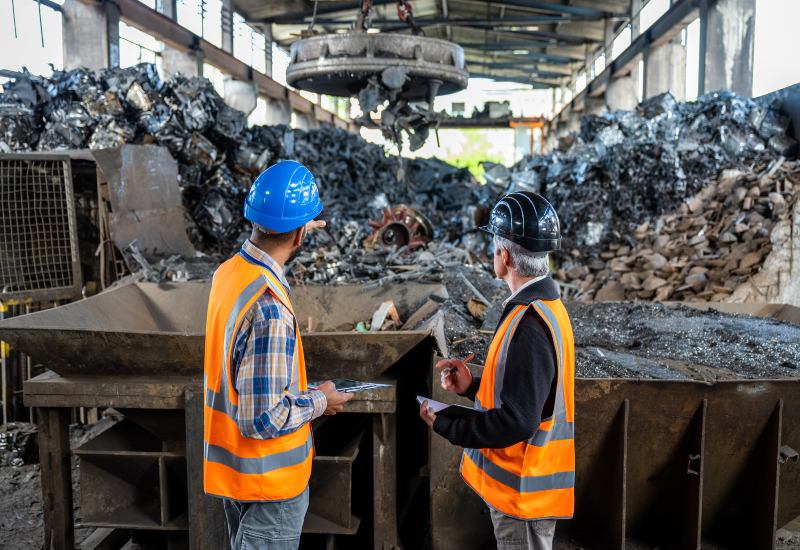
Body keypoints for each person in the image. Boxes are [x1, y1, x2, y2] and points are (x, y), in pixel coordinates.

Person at [203, 160, 353, 550]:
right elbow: (261, 419)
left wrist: (299, 225)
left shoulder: (229, 274)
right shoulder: (269, 308)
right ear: (301, 235)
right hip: (269, 483)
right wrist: (322, 400)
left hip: (235, 473)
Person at [419, 191, 575, 550]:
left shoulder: (531, 323)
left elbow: (519, 420)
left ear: (504, 256)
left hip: (523, 495)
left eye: (494, 246)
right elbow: (526, 390)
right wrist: (473, 383)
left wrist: (447, 425)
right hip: (522, 490)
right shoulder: (541, 308)